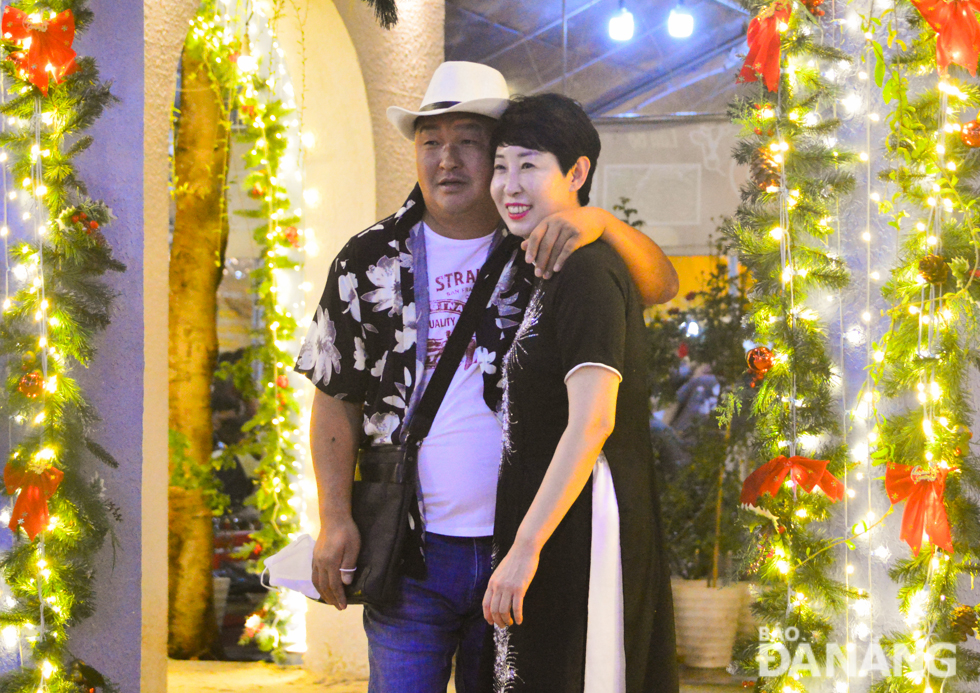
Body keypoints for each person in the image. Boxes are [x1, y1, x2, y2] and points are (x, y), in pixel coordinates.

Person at [296, 61, 677, 693]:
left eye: (470, 144)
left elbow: (659, 285)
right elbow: (335, 395)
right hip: (412, 552)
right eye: (430, 143)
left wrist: (601, 221)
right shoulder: (369, 257)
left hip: (522, 547)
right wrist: (334, 516)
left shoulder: (545, 244)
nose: (448, 161)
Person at [481, 93, 678, 693]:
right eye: (500, 165)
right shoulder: (534, 259)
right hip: (549, 512)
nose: (509, 185)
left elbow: (592, 422)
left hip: (581, 519)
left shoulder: (588, 270)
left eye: (529, 165)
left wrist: (524, 548)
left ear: (577, 173)